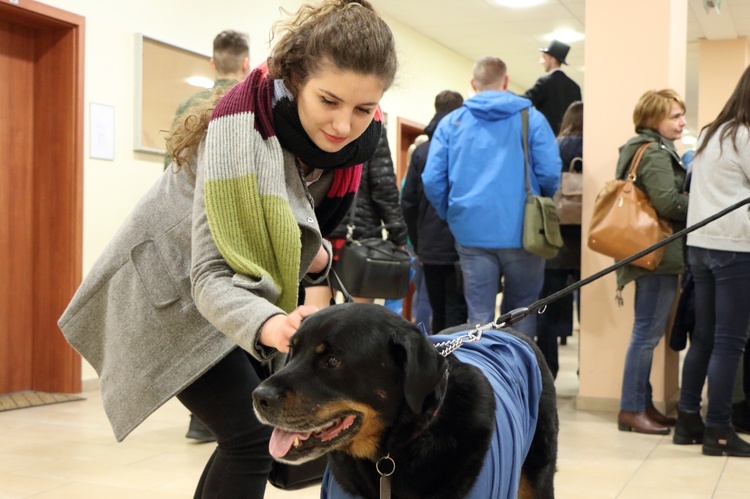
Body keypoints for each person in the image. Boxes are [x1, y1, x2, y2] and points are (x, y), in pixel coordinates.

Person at [57, 2, 398, 497]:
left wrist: (316, 259)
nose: (344, 125)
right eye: (329, 100)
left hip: (236, 301)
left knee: (251, 437)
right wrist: (268, 323)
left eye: (364, 109)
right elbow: (210, 276)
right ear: (297, 79)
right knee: (252, 436)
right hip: (172, 302)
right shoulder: (238, 133)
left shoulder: (342, 154)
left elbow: (290, 226)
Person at [422, 56, 561, 339]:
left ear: (473, 84)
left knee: (479, 320)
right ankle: (518, 381)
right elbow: (549, 172)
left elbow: (432, 180)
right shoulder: (531, 118)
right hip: (525, 230)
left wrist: (452, 214)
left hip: (471, 233)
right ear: (506, 81)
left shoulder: (452, 122)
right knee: (521, 314)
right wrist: (538, 202)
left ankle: (483, 379)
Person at [673, 65, 750, 456]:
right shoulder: (746, 136)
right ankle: (718, 430)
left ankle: (688, 419)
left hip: (700, 246)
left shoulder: (709, 133)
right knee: (729, 342)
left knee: (703, 337)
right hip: (735, 247)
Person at [615, 89, 688, 436]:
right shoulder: (655, 154)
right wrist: (702, 198)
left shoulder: (641, 148)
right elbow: (669, 204)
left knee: (645, 332)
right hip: (658, 255)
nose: (682, 121)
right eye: (674, 116)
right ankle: (631, 408)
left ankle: (642, 404)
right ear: (653, 119)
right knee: (646, 334)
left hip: (646, 253)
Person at [303, 125, 407, 308]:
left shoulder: (316, 122)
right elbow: (384, 187)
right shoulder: (372, 129)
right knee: (359, 323)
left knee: (316, 322)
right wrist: (398, 235)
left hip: (317, 232)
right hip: (361, 240)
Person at [401, 89, 467, 333]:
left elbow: (408, 202)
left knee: (437, 309)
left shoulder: (421, 151)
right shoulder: (467, 150)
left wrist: (419, 244)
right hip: (464, 244)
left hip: (430, 245)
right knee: (461, 310)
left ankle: (440, 362)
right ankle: (462, 364)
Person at [535, 100, 583, 379]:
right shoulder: (594, 146)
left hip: (554, 240)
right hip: (586, 241)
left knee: (547, 312)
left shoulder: (553, 145)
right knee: (588, 312)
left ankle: (547, 370)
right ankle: (587, 370)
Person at [164, 29, 250, 170]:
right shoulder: (253, 103)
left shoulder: (188, 105)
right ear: (245, 64)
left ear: (213, 64)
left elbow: (171, 162)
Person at [524, 40, 582, 136]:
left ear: (553, 59)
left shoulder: (545, 82)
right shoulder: (575, 87)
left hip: (547, 135)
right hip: (567, 138)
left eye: (545, 58)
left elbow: (527, 100)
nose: (543, 62)